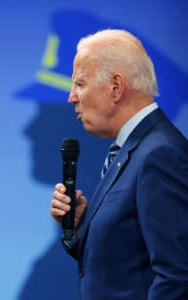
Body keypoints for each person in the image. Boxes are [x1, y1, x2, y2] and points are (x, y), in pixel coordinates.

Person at [50, 29, 188, 299]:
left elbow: (178, 275)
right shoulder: (133, 150)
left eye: (80, 84)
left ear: (116, 86)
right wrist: (81, 229)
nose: (71, 97)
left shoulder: (160, 155)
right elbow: (127, 263)